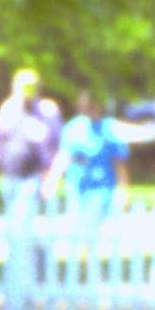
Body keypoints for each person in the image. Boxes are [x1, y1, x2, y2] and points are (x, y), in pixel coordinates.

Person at [0, 65, 62, 310]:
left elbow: (52, 149)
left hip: (31, 179)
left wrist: (51, 177)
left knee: (22, 231)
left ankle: (24, 292)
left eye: (30, 90)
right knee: (14, 234)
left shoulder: (46, 113)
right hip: (9, 178)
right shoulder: (7, 111)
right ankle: (16, 284)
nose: (26, 95)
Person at [51, 89, 128, 234]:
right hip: (76, 187)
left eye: (91, 106)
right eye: (84, 107)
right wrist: (53, 179)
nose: (88, 110)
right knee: (77, 228)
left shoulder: (109, 129)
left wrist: (123, 189)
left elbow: (120, 162)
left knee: (90, 228)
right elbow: (63, 156)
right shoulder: (72, 128)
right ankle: (83, 254)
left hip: (101, 188)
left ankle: (85, 254)